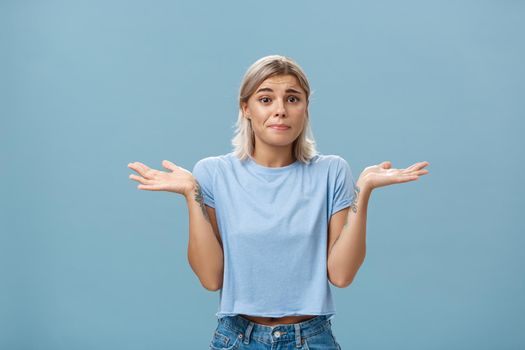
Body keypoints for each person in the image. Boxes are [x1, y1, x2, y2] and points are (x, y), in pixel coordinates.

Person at [127, 54, 430, 349]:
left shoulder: (331, 171)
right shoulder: (213, 173)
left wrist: (362, 191)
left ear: (306, 108)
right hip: (237, 339)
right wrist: (191, 194)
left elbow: (341, 275)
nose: (280, 110)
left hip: (310, 339)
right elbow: (211, 278)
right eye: (266, 99)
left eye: (293, 99)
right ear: (246, 108)